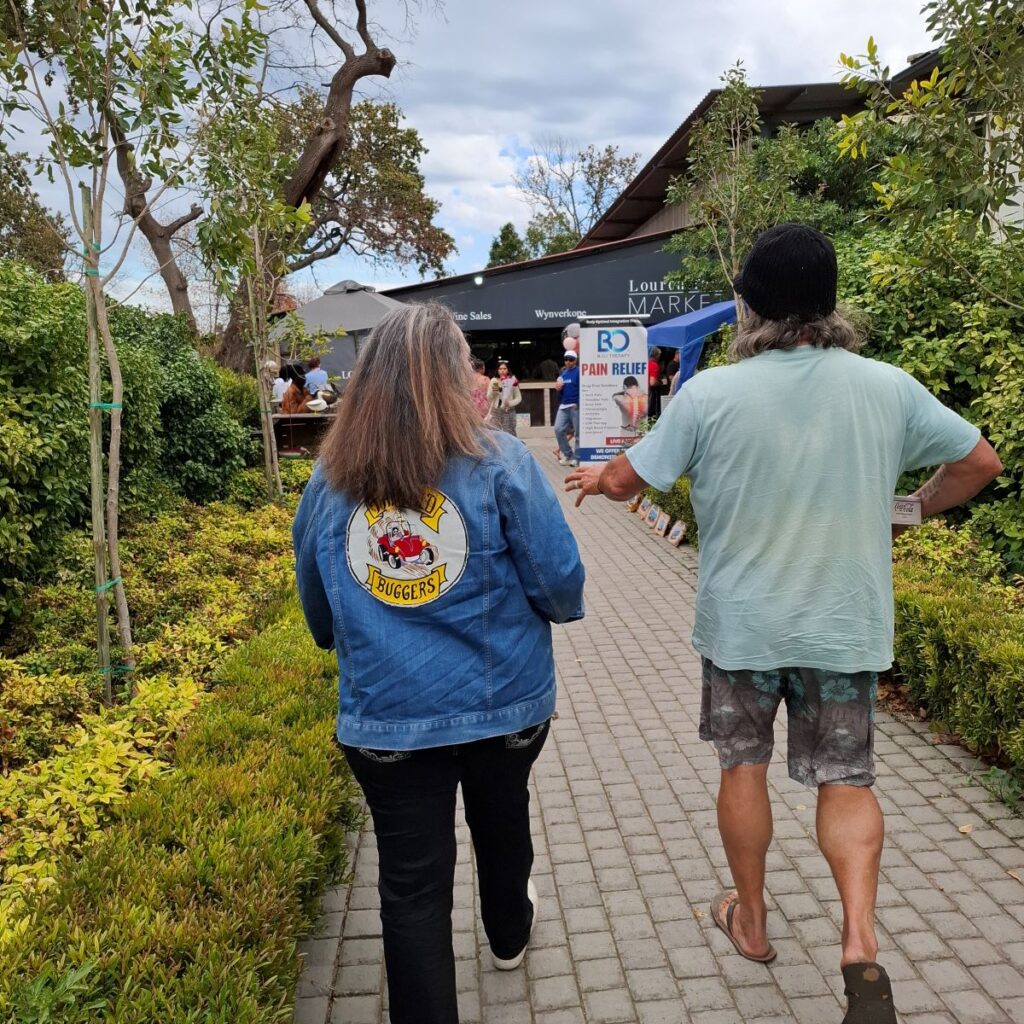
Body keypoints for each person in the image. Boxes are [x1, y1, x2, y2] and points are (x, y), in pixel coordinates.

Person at [565, 223, 1002, 1024]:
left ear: (749, 308)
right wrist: (911, 507)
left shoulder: (711, 394)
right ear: (829, 304)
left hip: (744, 628)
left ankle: (754, 923)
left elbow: (631, 480)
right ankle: (860, 947)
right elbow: (980, 463)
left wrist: (601, 477)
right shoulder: (886, 386)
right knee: (848, 779)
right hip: (843, 622)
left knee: (743, 767)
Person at [292, 303, 585, 1024]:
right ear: (454, 377)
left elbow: (319, 617)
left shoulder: (330, 481)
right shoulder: (503, 463)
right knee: (502, 816)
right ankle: (509, 933)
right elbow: (560, 586)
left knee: (412, 888)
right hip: (505, 706)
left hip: (387, 721)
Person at [553, 350, 580, 466]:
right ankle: (568, 454)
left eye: (571, 359)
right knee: (558, 429)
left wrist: (578, 402)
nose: (568, 362)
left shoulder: (579, 372)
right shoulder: (563, 374)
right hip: (564, 406)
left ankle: (577, 457)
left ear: (575, 360)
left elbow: (584, 388)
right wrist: (558, 389)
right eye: (566, 359)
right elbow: (561, 393)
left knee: (578, 433)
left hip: (575, 406)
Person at [489, 359, 522, 435]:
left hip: (508, 411)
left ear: (508, 370)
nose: (502, 371)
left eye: (504, 368)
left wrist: (509, 403)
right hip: (496, 412)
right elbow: (489, 398)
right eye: (500, 369)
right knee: (497, 434)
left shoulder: (512, 381)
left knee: (510, 434)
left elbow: (518, 398)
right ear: (497, 370)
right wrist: (493, 392)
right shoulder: (494, 381)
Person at [647, 345, 664, 419]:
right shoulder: (654, 365)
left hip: (643, 392)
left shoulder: (645, 363)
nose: (659, 357)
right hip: (651, 393)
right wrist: (660, 383)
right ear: (656, 355)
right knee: (652, 415)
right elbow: (652, 382)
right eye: (659, 355)